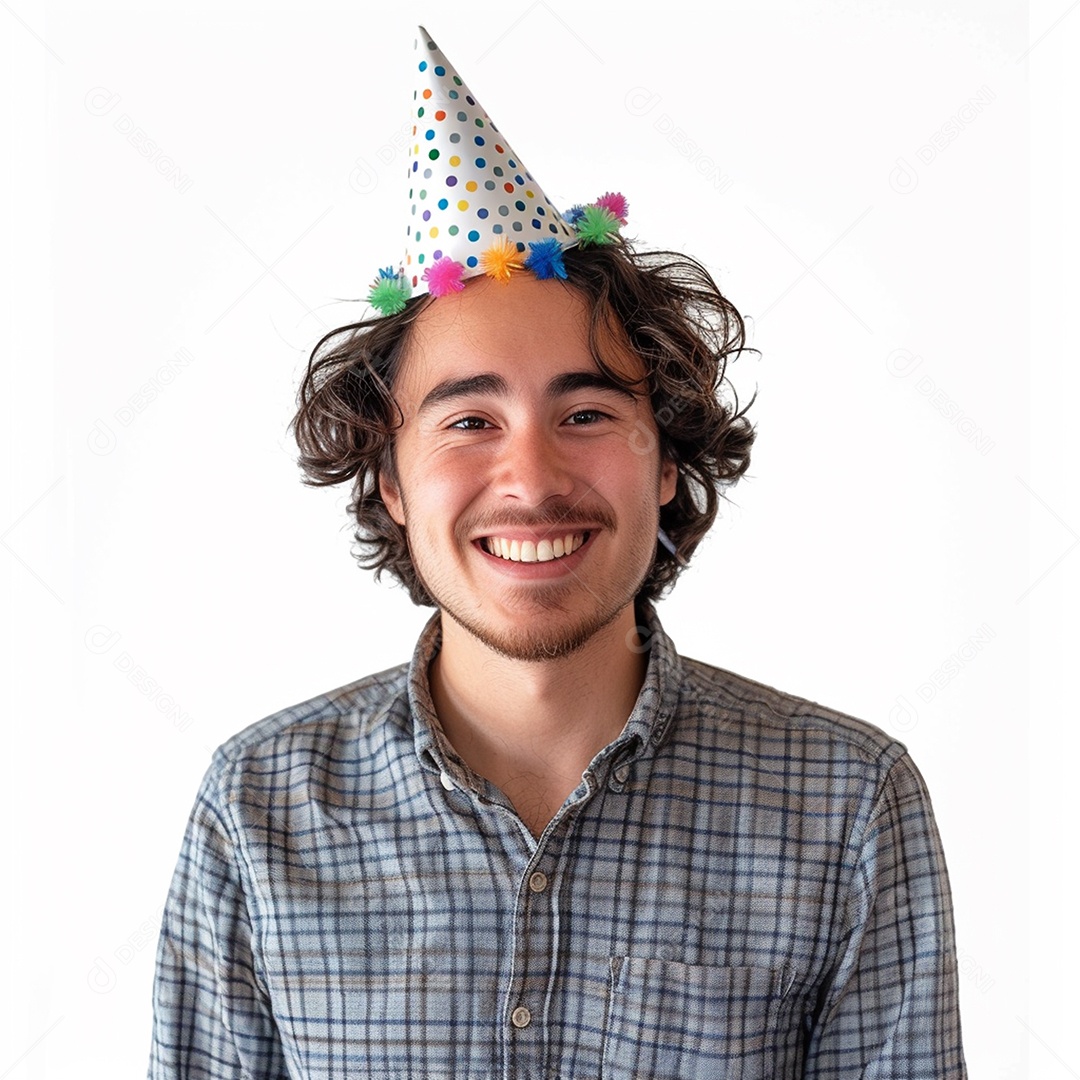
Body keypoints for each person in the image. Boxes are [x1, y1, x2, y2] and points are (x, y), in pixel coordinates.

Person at [147, 27, 967, 1080]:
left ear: (665, 459)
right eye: (468, 421)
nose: (531, 480)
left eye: (584, 413)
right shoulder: (259, 809)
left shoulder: (851, 805)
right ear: (390, 481)